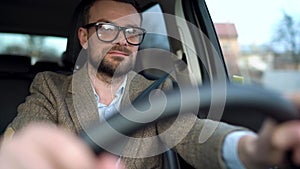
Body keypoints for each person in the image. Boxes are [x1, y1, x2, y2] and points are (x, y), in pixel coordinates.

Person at [1, 0, 300, 169]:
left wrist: (253, 148)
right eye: (107, 29)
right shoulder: (50, 86)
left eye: (132, 31)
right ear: (83, 37)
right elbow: (23, 134)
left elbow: (195, 134)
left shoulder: (156, 92)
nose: (122, 40)